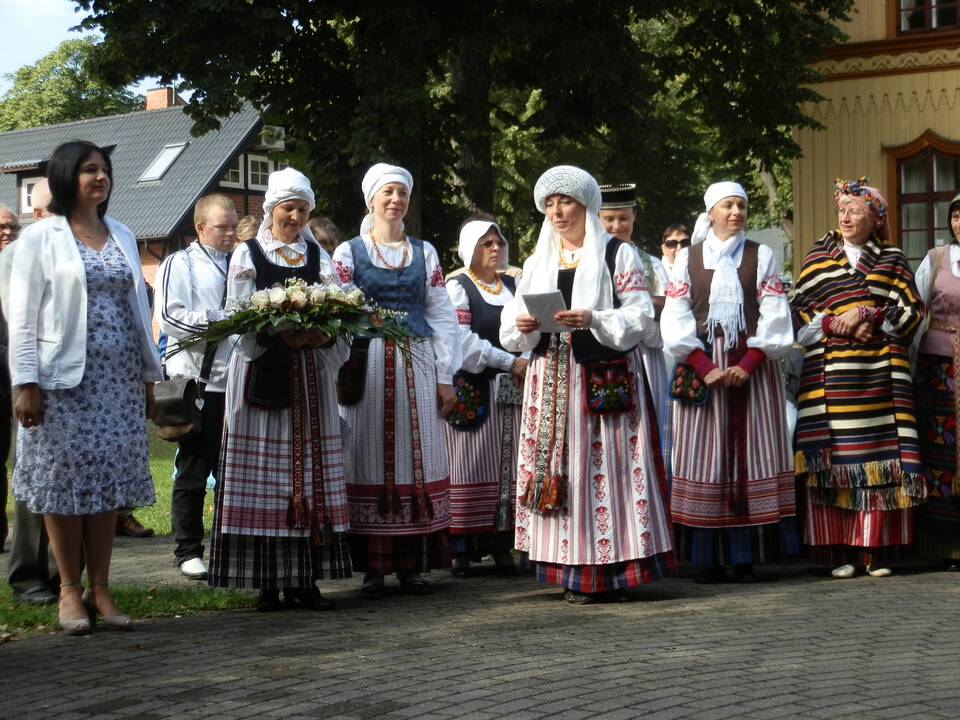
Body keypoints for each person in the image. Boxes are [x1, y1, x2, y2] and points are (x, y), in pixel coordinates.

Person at [500, 165, 674, 604]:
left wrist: (593, 318)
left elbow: (639, 315)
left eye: (567, 202)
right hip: (551, 378)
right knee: (561, 469)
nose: (558, 212)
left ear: (586, 205)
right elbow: (511, 327)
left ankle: (611, 565)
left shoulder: (617, 253)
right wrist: (522, 326)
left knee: (605, 471)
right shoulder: (539, 260)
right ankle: (565, 563)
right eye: (551, 204)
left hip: (602, 376)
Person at [8, 140, 162, 633]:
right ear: (64, 177)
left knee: (106, 488)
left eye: (105, 170)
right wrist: (25, 382)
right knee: (62, 488)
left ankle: (102, 589)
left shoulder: (120, 233)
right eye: (88, 170)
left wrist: (147, 376)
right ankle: (69, 592)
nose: (100, 177)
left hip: (117, 383)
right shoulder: (40, 239)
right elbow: (22, 319)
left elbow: (136, 314)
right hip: (60, 383)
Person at [208, 168, 351, 611]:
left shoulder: (317, 256)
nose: (295, 216)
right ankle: (267, 581)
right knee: (269, 476)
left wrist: (322, 335)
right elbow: (238, 316)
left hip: (309, 377)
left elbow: (336, 305)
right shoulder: (248, 254)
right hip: (264, 377)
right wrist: (278, 336)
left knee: (310, 474)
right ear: (271, 209)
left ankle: (305, 579)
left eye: (302, 209)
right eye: (288, 207)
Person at [333, 162, 459, 598]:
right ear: (371, 200)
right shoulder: (348, 253)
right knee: (366, 455)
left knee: (414, 456)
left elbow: (441, 314)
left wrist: (446, 376)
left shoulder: (425, 252)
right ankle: (372, 567)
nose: (395, 200)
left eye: (401, 194)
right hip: (366, 364)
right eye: (387, 193)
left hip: (417, 363)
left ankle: (412, 564)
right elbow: (338, 310)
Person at [662, 181, 796, 583]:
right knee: (706, 454)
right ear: (712, 213)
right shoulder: (688, 258)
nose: (736, 212)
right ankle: (707, 558)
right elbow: (675, 315)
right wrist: (704, 366)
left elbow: (774, 312)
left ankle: (746, 556)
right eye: (728, 206)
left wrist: (751, 361)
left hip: (750, 367)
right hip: (706, 365)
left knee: (752, 451)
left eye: (741, 205)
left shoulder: (762, 254)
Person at [792, 178, 926, 578]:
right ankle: (841, 553)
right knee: (835, 465)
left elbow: (912, 311)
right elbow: (798, 310)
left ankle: (876, 552)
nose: (845, 217)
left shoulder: (893, 259)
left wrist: (869, 315)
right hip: (830, 379)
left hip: (881, 378)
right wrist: (837, 323)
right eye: (842, 209)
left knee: (882, 462)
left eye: (855, 210)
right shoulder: (817, 257)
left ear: (876, 217)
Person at [155, 194, 238, 580]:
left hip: (236, 380)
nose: (230, 233)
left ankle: (228, 544)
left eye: (234, 226)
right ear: (200, 227)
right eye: (222, 227)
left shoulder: (242, 261)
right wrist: (221, 321)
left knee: (233, 469)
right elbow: (170, 315)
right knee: (194, 466)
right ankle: (187, 549)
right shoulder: (179, 262)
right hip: (197, 381)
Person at [443, 217, 526, 577]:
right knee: (469, 465)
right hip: (474, 390)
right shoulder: (457, 286)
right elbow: (461, 340)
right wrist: (508, 361)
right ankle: (461, 546)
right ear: (469, 249)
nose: (494, 249)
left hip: (512, 393)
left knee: (509, 466)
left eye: (498, 243)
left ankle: (502, 544)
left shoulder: (514, 284)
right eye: (486, 243)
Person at [2, 181, 59, 604]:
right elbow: (18, 325)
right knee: (32, 476)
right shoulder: (15, 259)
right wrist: (26, 382)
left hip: (73, 381)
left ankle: (66, 575)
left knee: (67, 478)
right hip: (28, 380)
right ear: (37, 215)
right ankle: (28, 574)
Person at [599, 183, 670, 430]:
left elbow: (671, 308)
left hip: (645, 353)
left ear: (634, 217)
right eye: (609, 219)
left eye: (623, 218)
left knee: (648, 424)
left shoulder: (652, 265)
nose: (616, 226)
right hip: (604, 354)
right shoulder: (591, 263)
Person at [914, 190, 960, 571]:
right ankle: (943, 544)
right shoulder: (936, 259)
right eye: (957, 216)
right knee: (941, 449)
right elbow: (915, 309)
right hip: (939, 369)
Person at [0, 203, 20, 553]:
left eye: (12, 227)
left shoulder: (23, 269)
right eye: (0, 227)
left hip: (20, 380)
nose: (7, 232)